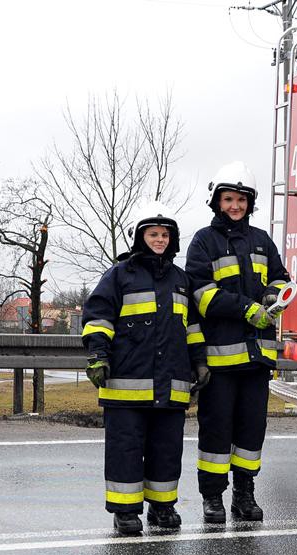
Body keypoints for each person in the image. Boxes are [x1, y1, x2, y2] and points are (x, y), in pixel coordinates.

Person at [82, 202, 210, 536]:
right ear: (139, 237)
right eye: (152, 234)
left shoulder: (181, 280)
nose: (159, 239)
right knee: (125, 449)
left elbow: (192, 328)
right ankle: (125, 512)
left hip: (171, 383)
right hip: (126, 384)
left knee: (166, 450)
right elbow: (98, 317)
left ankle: (162, 508)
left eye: (165, 234)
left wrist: (199, 362)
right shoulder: (118, 275)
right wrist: (98, 356)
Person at [186, 161, 290, 523]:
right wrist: (248, 309)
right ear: (216, 201)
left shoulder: (262, 240)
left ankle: (244, 495)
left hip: (257, 359)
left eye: (241, 199)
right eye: (228, 199)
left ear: (250, 202)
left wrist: (273, 299)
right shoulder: (203, 241)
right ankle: (212, 498)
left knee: (250, 430)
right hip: (220, 361)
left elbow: (280, 278)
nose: (235, 205)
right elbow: (202, 295)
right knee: (216, 431)